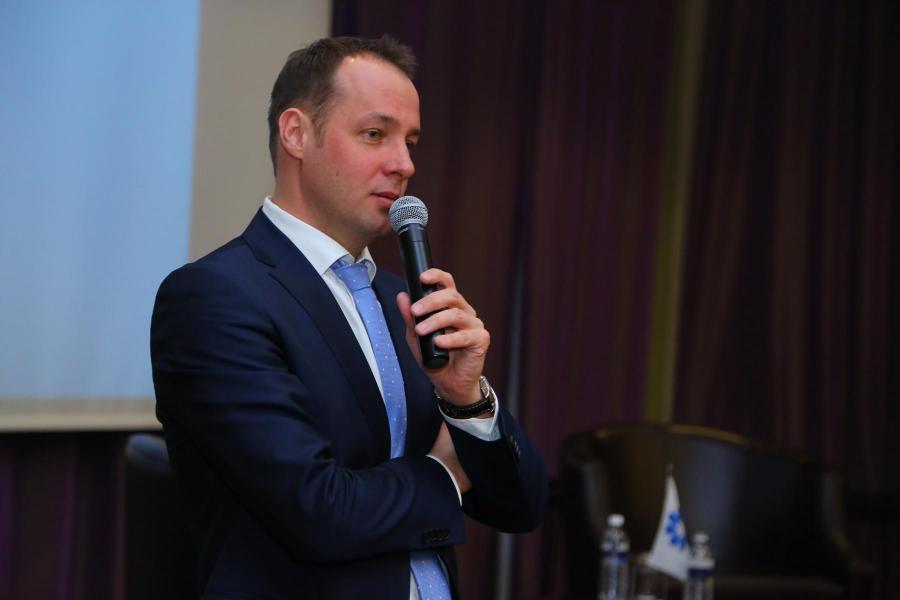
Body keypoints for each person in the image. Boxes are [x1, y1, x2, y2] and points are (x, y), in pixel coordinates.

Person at [151, 36, 547, 600]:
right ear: (296, 133)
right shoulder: (214, 298)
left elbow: (521, 505)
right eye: (375, 135)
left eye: (411, 141)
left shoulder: (404, 299)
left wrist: (467, 398)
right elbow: (317, 511)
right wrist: (445, 474)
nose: (404, 164)